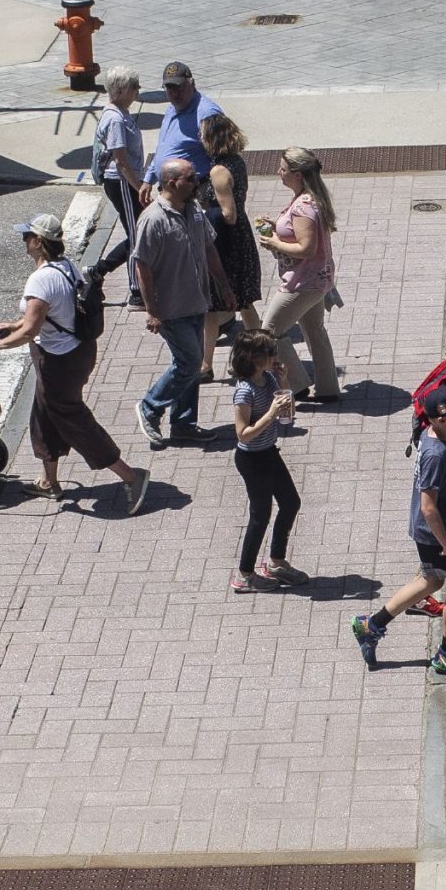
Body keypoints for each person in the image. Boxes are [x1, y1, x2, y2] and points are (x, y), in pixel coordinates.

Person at [0, 213, 150, 513]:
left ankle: (131, 476)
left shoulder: (41, 278)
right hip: (77, 350)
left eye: (27, 237)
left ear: (37, 242)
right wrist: (16, 323)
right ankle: (49, 481)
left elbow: (31, 331)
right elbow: (52, 313)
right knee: (44, 414)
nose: (24, 241)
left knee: (73, 420)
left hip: (59, 361)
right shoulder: (66, 266)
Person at [352, 386, 446, 675]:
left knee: (432, 581)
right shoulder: (437, 454)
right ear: (441, 419)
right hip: (438, 533)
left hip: (431, 532)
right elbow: (428, 506)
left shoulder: (432, 436)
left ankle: (371, 626)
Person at [134, 157, 231, 447]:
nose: (197, 183)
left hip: (197, 301)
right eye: (191, 179)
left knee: (188, 364)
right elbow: (142, 266)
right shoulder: (153, 219)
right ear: (173, 183)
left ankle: (184, 423)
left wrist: (224, 286)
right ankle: (150, 407)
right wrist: (151, 310)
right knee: (190, 363)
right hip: (170, 308)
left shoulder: (195, 210)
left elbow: (208, 247)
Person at [254, 145, 342, 403]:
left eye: (282, 169)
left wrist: (274, 243)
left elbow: (306, 248)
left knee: (269, 332)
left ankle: (298, 384)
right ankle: (327, 389)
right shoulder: (310, 198)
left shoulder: (304, 205)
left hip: (303, 282)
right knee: (315, 331)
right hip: (318, 280)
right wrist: (277, 227)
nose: (278, 173)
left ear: (298, 175)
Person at [226, 330, 306, 593]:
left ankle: (276, 562)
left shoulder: (270, 378)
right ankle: (244, 575)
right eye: (270, 352)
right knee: (260, 515)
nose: (276, 355)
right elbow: (243, 434)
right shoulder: (244, 392)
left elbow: (288, 415)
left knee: (291, 502)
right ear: (253, 357)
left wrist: (284, 383)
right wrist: (270, 414)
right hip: (251, 458)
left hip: (269, 452)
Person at [199, 113, 264, 385]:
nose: (199, 139)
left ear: (213, 139)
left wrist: (204, 215)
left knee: (215, 306)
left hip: (226, 244)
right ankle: (258, 354)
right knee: (241, 304)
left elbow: (229, 214)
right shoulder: (236, 162)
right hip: (240, 239)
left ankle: (207, 364)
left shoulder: (218, 171)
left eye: (203, 134)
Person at [94, 67, 146, 304]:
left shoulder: (119, 112)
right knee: (137, 235)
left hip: (125, 180)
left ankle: (99, 270)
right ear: (122, 89)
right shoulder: (115, 119)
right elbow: (121, 162)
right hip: (121, 181)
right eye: (134, 86)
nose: (138, 91)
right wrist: (140, 187)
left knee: (138, 232)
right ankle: (136, 291)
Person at [147, 62, 224, 186]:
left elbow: (223, 160)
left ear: (192, 83)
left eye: (180, 87)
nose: (175, 94)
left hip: (195, 192)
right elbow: (163, 146)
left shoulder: (207, 114)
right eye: (170, 88)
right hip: (171, 192)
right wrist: (149, 179)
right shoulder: (172, 107)